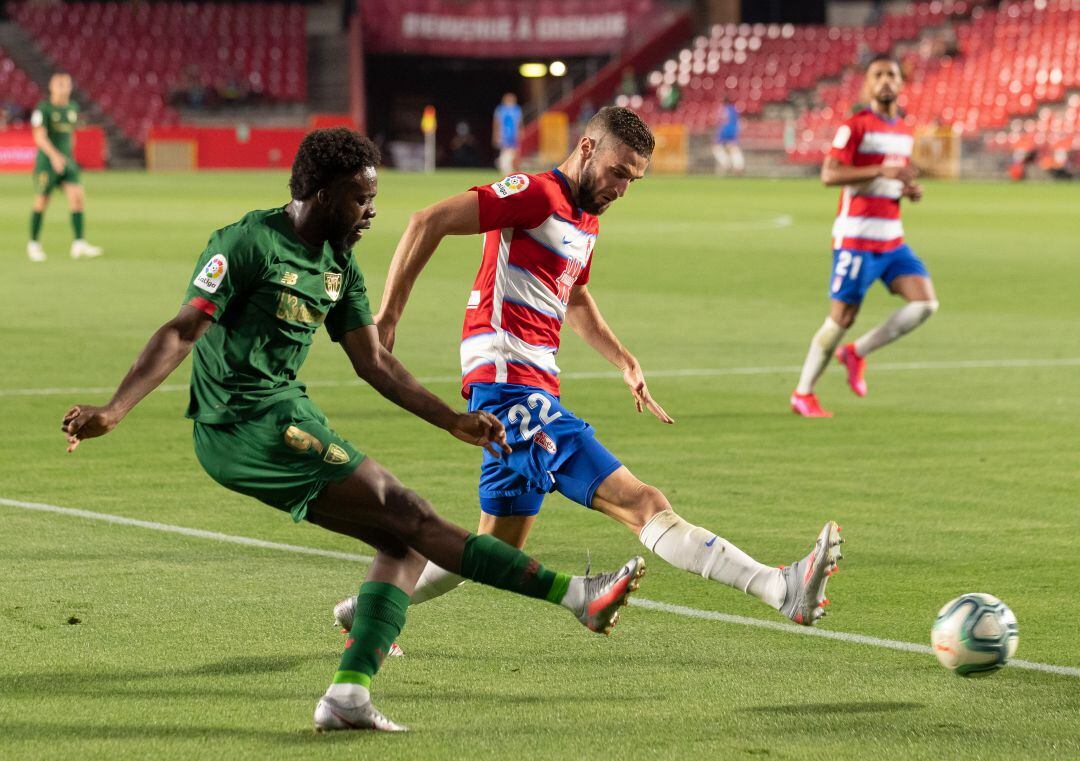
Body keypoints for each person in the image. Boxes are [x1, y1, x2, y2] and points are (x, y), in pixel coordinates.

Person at [60, 128, 646, 733]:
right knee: (408, 511)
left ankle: (348, 696)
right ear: (320, 193)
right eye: (361, 199)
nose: (371, 211)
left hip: (288, 413)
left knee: (402, 544)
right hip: (241, 423)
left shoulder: (339, 265)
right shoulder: (247, 243)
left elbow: (375, 364)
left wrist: (452, 420)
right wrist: (115, 409)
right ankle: (578, 597)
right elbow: (183, 330)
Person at [334, 107, 842, 640]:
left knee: (495, 550)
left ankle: (366, 611)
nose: (622, 188)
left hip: (530, 385)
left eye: (634, 179)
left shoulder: (586, 219)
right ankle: (778, 588)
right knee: (643, 504)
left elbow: (572, 297)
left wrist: (624, 360)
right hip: (509, 388)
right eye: (618, 172)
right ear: (586, 149)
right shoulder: (536, 193)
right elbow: (427, 221)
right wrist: (388, 316)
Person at [791, 54, 938, 418]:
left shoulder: (903, 130)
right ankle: (803, 393)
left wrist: (905, 189)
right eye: (879, 75)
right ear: (868, 85)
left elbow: (887, 179)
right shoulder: (855, 126)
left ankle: (856, 353)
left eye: (892, 74)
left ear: (901, 84)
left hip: (892, 239)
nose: (886, 80)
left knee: (925, 303)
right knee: (841, 318)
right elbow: (829, 175)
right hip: (857, 239)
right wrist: (881, 170)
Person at [27, 72, 103, 262]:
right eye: (59, 84)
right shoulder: (43, 109)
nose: (63, 87)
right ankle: (34, 244)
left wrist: (68, 157)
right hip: (47, 163)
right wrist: (54, 157)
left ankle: (79, 243)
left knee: (77, 197)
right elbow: (39, 137)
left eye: (66, 84)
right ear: (51, 87)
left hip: (67, 162)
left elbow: (71, 136)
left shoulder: (72, 108)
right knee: (42, 201)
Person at [492, 92, 522, 176]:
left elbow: (519, 122)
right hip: (504, 134)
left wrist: (520, 132)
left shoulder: (517, 109)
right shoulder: (500, 109)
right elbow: (496, 123)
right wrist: (495, 135)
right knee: (505, 152)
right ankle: (504, 167)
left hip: (514, 135)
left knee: (513, 153)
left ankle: (506, 166)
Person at [712, 100, 744, 175]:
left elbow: (719, 122)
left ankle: (726, 163)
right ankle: (738, 166)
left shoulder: (721, 109)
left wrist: (717, 135)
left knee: (716, 148)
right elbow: (738, 122)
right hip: (733, 131)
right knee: (733, 149)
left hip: (724, 131)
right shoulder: (734, 110)